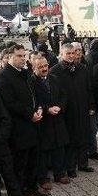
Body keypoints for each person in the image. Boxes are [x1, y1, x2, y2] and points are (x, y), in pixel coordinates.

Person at [0, 45, 41, 196]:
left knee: (32, 159)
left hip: (32, 123)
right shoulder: (3, 76)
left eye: (24, 55)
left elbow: (32, 94)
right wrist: (30, 114)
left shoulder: (25, 72)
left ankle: (31, 187)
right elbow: (10, 103)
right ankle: (20, 194)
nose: (23, 58)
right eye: (19, 56)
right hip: (18, 128)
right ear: (9, 57)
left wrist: (38, 110)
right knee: (20, 163)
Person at [50, 43, 95, 177]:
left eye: (73, 53)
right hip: (67, 112)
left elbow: (89, 88)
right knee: (70, 141)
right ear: (61, 54)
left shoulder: (82, 68)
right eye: (67, 53)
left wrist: (91, 105)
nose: (71, 56)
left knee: (83, 137)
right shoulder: (55, 71)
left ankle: (83, 164)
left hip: (83, 109)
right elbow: (55, 94)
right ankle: (70, 167)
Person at [29, 55, 70, 188]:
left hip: (57, 118)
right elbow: (33, 101)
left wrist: (60, 106)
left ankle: (60, 173)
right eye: (40, 67)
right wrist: (47, 109)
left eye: (45, 65)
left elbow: (64, 95)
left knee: (59, 147)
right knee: (43, 151)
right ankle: (43, 178)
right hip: (43, 121)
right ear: (34, 68)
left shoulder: (54, 79)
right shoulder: (31, 82)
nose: (44, 69)